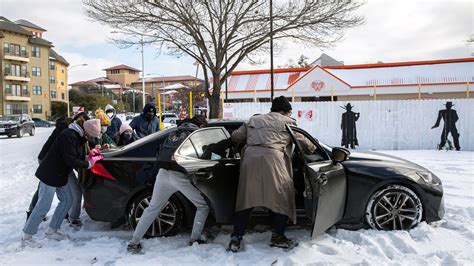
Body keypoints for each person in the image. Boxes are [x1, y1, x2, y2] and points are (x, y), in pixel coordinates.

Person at [227, 96, 315, 252]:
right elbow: (306, 143)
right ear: (284, 111)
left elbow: (235, 137)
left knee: (246, 200)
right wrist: (311, 148)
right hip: (273, 161)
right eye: (289, 112)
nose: (289, 115)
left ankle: (236, 238)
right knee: (282, 197)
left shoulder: (253, 120)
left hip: (250, 161)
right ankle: (278, 236)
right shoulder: (287, 122)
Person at [127, 115, 209, 254]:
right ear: (200, 125)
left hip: (163, 173)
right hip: (179, 176)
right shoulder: (194, 135)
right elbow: (201, 156)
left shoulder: (174, 132)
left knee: (152, 208)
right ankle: (194, 238)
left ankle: (134, 242)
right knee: (202, 206)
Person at [22, 118, 104, 247]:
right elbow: (70, 159)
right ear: (86, 131)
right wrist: (89, 164)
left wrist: (89, 156)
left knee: (67, 200)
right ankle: (27, 236)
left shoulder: (78, 136)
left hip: (61, 174)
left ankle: (52, 230)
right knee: (43, 205)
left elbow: (76, 155)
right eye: (91, 136)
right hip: (50, 173)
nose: (91, 139)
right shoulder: (69, 135)